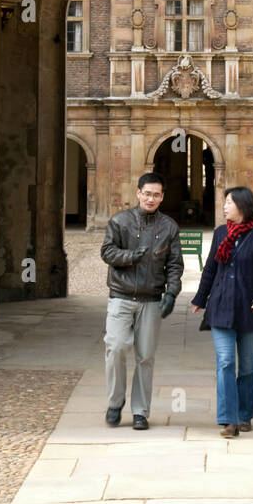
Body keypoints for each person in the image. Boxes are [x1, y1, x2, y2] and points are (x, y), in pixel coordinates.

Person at [100, 172, 183, 430]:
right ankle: (115, 403)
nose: (151, 198)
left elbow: (175, 265)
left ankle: (140, 411)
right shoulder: (119, 221)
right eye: (147, 193)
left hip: (151, 299)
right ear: (138, 193)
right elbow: (107, 251)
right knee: (115, 348)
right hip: (121, 296)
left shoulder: (169, 227)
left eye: (156, 194)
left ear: (162, 197)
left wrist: (172, 293)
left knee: (145, 356)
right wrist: (131, 256)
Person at [191, 186, 253, 437]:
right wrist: (200, 298)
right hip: (221, 308)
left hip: (250, 310)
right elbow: (210, 269)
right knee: (226, 362)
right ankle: (229, 420)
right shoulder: (220, 234)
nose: (224, 206)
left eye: (229, 202)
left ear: (243, 206)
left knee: (247, 366)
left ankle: (245, 414)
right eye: (224, 202)